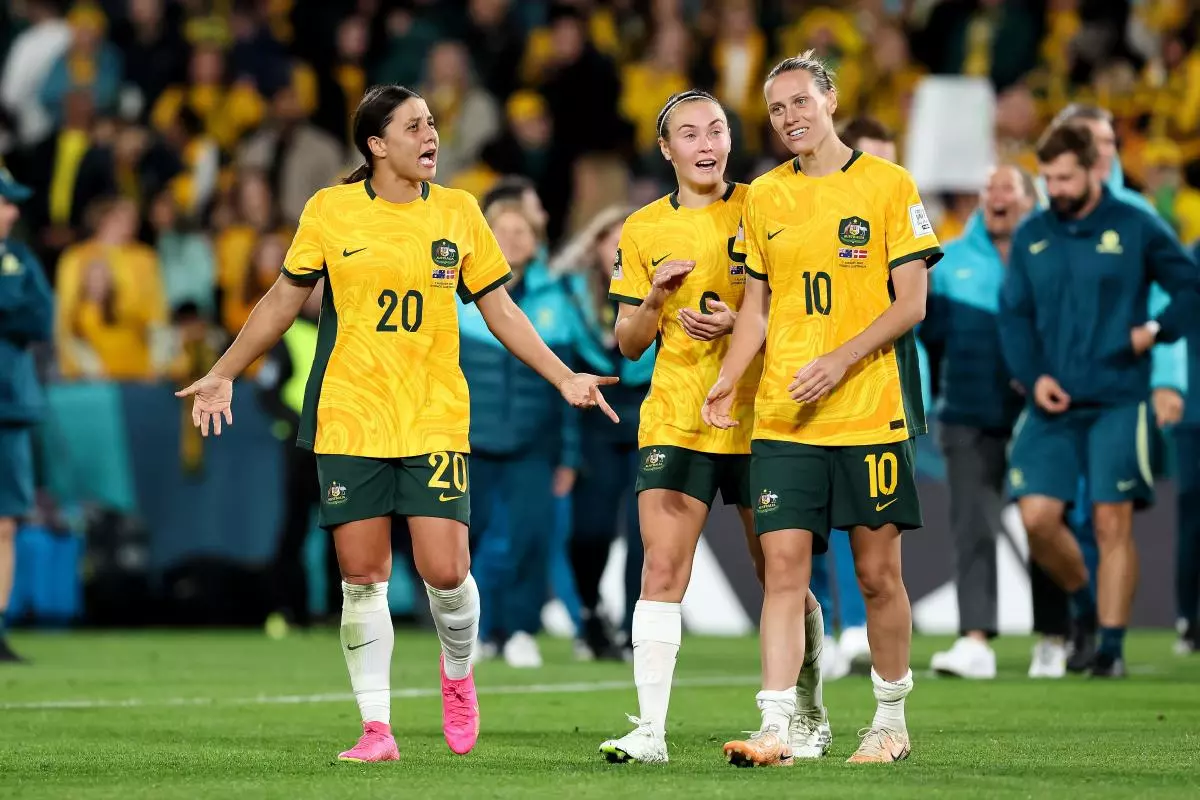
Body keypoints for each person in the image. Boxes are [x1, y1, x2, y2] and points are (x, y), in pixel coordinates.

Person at [176, 84, 619, 762]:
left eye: (433, 123)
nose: (430, 135)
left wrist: (564, 377)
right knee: (363, 575)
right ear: (376, 145)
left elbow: (500, 309)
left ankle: (458, 675)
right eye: (413, 126)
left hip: (434, 414)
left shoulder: (460, 212)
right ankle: (377, 729)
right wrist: (224, 370)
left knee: (446, 571)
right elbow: (280, 299)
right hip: (350, 415)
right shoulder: (331, 210)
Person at [705, 51, 942, 765]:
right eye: (777, 110)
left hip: (867, 410)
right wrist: (729, 379)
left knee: (877, 576)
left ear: (830, 100)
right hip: (783, 416)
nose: (789, 119)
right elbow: (757, 310)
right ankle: (778, 724)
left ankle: (890, 721)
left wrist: (840, 359)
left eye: (800, 102)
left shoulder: (888, 186)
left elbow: (913, 303)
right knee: (783, 571)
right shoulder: (763, 197)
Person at [598, 89, 830, 766]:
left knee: (778, 574)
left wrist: (742, 326)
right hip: (678, 418)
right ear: (666, 149)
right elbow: (629, 342)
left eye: (717, 131)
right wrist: (655, 299)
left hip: (766, 418)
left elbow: (807, 310)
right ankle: (650, 732)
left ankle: (808, 707)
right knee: (662, 567)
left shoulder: (765, 205)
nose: (707, 144)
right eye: (690, 134)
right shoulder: (641, 228)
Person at [999, 123, 1200, 678]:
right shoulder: (1033, 232)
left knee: (1113, 522)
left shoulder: (1136, 225)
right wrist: (1033, 375)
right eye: (1048, 178)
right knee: (1037, 518)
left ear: (1094, 171)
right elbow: (1013, 316)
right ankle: (1084, 603)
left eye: (1065, 177)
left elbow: (1189, 286)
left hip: (1118, 398)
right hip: (1053, 403)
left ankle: (1109, 648)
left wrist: (1156, 330)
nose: (1055, 188)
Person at [920, 165, 1035, 679]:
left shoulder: (1049, 256)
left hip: (1046, 413)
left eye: (1008, 187)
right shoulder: (948, 260)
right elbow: (932, 340)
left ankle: (1061, 636)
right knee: (973, 524)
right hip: (968, 412)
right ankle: (975, 640)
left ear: (1032, 200)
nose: (995, 195)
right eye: (989, 187)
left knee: (1050, 520)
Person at [458, 199, 578, 668]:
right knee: (476, 540)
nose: (511, 239)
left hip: (534, 443)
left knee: (529, 537)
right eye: (501, 230)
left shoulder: (557, 302)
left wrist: (568, 455)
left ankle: (521, 630)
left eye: (521, 231)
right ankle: (481, 630)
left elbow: (568, 381)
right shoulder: (457, 297)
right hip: (472, 441)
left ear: (537, 242)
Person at [551, 205, 651, 662]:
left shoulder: (661, 293)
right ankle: (591, 610)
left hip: (650, 414)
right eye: (612, 240)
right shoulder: (569, 294)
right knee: (589, 532)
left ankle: (636, 630)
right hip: (592, 418)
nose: (620, 249)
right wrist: (566, 451)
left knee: (645, 533)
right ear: (594, 248)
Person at [258, 279, 341, 634]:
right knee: (294, 530)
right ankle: (289, 610)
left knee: (342, 530)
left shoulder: (347, 330)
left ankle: (341, 613)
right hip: (299, 449)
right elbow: (267, 393)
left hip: (339, 444)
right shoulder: (288, 336)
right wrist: (299, 425)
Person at [0, 167, 53, 663]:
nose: (13, 212)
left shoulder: (18, 258)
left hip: (9, 404)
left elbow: (41, 317)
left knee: (5, 523)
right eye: (5, 201)